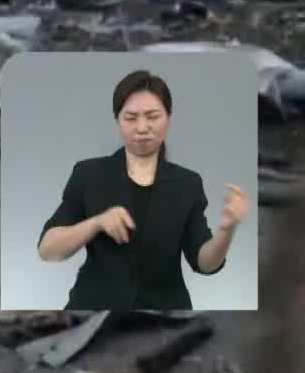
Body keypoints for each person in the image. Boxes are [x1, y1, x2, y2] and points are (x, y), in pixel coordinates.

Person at [36, 70, 248, 310]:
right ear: (117, 119)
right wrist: (96, 223)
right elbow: (47, 249)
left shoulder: (187, 183)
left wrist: (227, 230)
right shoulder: (89, 174)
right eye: (131, 118)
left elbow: (204, 263)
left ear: (169, 117)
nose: (142, 127)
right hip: (93, 310)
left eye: (152, 116)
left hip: (164, 315)